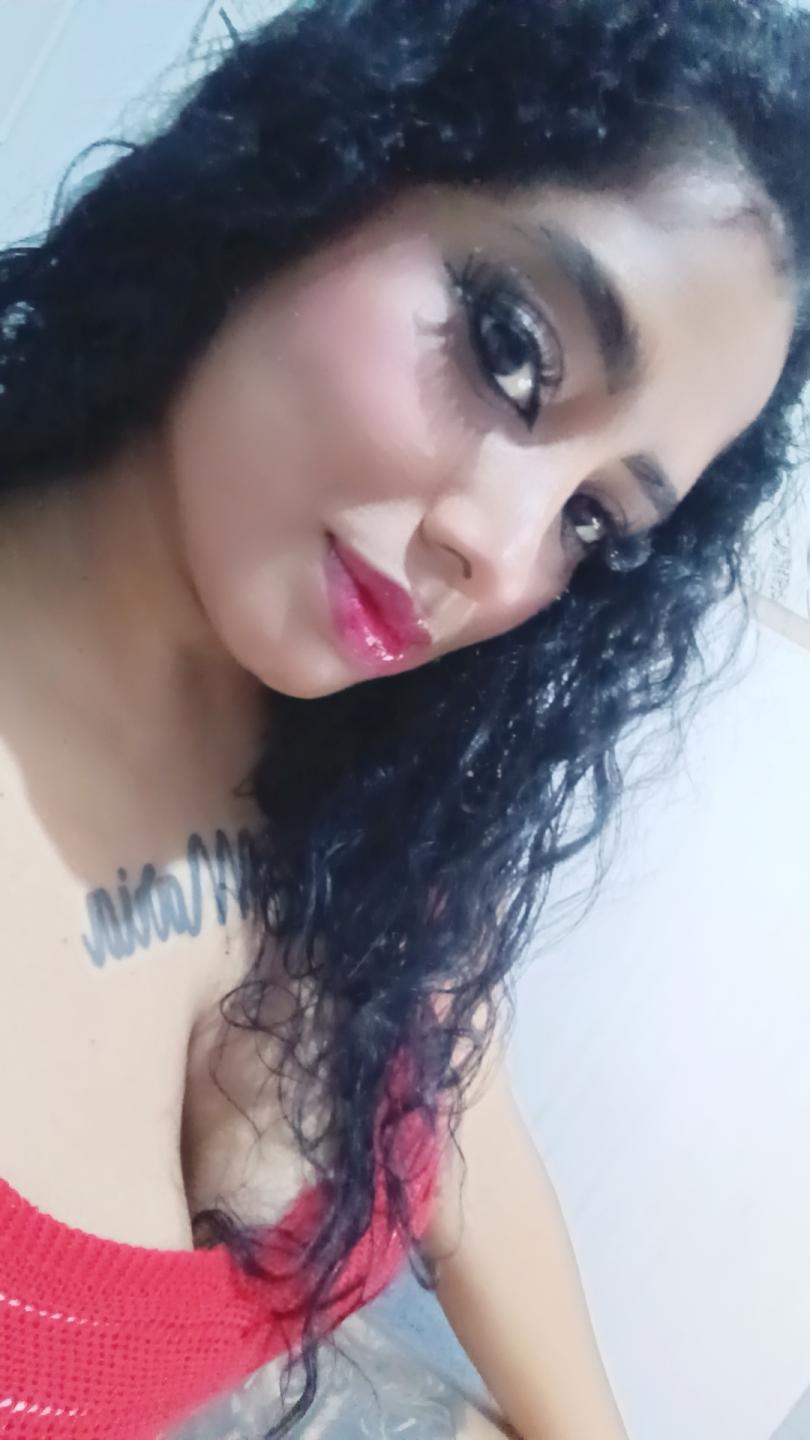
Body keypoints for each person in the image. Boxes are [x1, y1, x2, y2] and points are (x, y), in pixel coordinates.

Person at [0, 0, 807, 1436]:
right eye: (511, 350)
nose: (504, 551)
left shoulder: (364, 800)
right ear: (327, 162)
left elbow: (454, 1105)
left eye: (594, 522)